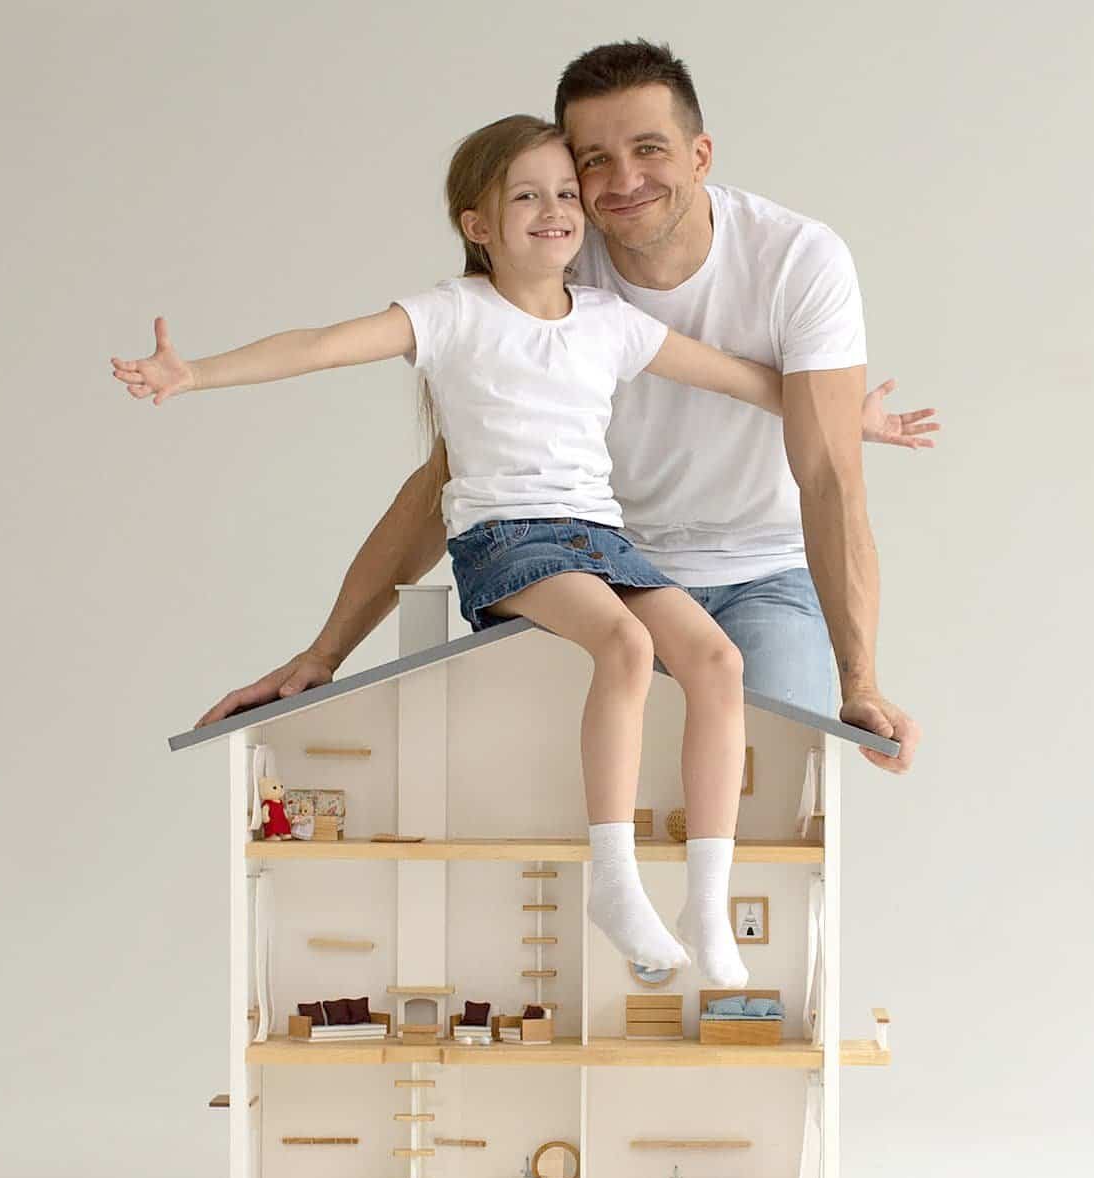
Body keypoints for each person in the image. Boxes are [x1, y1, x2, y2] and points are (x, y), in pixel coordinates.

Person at [111, 114, 920, 986]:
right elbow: (317, 346)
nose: (557, 209)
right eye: (527, 196)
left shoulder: (608, 319)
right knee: (627, 647)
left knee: (716, 662)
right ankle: (613, 882)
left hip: (599, 539)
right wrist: (195, 373)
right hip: (506, 542)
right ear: (478, 224)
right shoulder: (452, 313)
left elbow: (745, 380)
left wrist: (852, 417)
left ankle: (705, 902)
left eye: (565, 193)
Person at [191, 41, 934, 782]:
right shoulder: (554, 260)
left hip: (764, 570)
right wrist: (325, 654)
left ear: (701, 154)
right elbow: (452, 480)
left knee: (768, 799)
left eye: (649, 149)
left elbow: (830, 476)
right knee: (578, 813)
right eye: (594, 160)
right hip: (600, 574)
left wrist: (861, 683)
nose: (623, 180)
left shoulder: (797, 260)